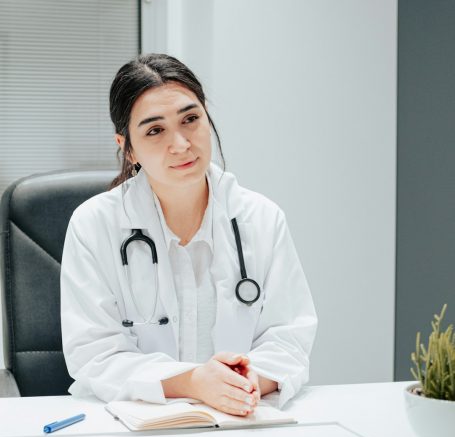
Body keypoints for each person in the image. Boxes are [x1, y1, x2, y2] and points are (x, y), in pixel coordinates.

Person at [61, 53, 317, 416]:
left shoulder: (261, 219)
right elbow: (95, 354)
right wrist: (195, 382)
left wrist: (242, 382)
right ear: (127, 147)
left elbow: (289, 336)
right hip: (129, 425)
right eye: (155, 130)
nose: (180, 143)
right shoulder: (93, 226)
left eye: (190, 119)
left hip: (238, 419)